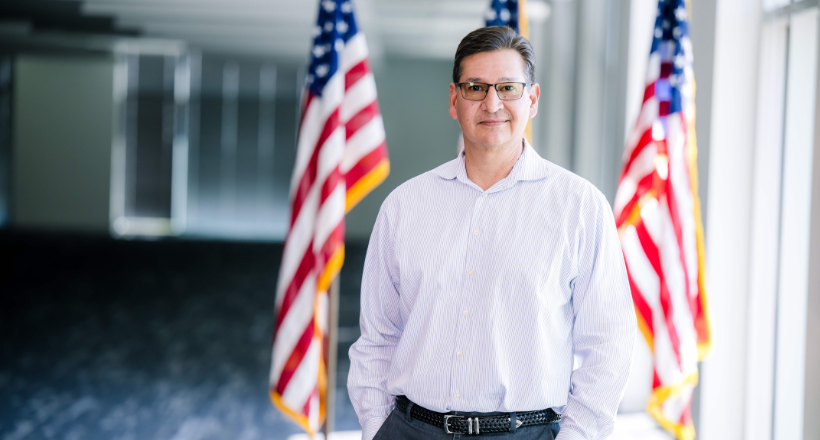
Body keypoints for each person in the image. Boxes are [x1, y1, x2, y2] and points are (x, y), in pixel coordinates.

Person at [347, 26, 636, 440]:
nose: (492, 103)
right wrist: (379, 429)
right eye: (475, 87)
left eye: (508, 88)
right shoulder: (404, 208)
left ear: (532, 99)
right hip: (410, 430)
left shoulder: (580, 208)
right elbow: (377, 338)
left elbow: (608, 344)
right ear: (454, 99)